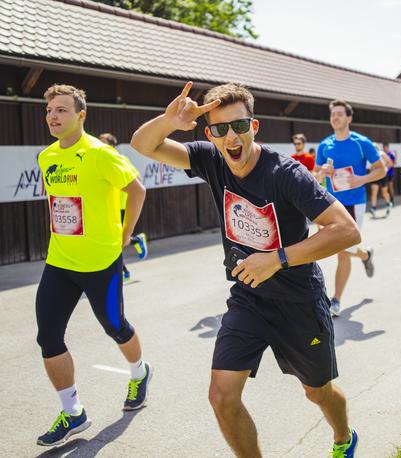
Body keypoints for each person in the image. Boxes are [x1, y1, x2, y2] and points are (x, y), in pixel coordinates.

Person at [131, 82, 362, 457]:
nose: (230, 136)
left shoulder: (285, 174)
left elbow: (347, 230)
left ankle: (343, 437)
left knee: (316, 391)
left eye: (239, 126)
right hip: (248, 297)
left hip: (298, 300)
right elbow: (143, 144)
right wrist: (170, 120)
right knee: (222, 396)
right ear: (211, 134)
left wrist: (277, 259)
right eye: (220, 129)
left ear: (254, 127)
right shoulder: (210, 159)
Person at [36, 85, 150, 447]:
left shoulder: (101, 154)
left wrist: (125, 234)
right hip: (60, 262)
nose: (53, 116)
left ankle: (139, 371)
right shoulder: (46, 157)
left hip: (102, 263)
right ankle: (73, 412)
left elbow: (137, 190)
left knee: (116, 327)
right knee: (48, 337)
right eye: (50, 110)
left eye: (62, 110)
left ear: (81, 115)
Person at [314, 100, 386, 317]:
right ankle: (365, 255)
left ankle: (335, 301)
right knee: (335, 247)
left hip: (355, 201)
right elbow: (314, 175)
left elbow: (381, 170)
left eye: (339, 114)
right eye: (332, 114)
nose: (335, 118)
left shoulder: (361, 143)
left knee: (343, 251)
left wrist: (361, 179)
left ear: (349, 118)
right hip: (331, 203)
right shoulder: (324, 145)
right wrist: (321, 174)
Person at [98, 132, 149, 280]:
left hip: (119, 206)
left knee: (115, 242)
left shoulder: (119, 159)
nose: (101, 144)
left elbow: (137, 179)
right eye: (99, 141)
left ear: (113, 145)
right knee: (112, 242)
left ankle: (123, 271)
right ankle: (135, 242)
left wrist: (123, 188)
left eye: (104, 142)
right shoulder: (99, 159)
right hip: (106, 207)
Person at [368, 143, 393, 217]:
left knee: (384, 192)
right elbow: (369, 168)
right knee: (374, 191)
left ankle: (388, 203)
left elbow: (390, 163)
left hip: (382, 175)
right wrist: (372, 170)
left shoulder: (382, 154)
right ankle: (373, 208)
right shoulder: (369, 156)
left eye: (375, 147)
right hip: (374, 176)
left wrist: (385, 169)